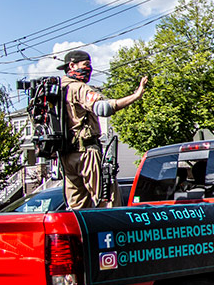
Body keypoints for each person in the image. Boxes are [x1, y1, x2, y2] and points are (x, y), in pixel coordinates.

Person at [58, 50, 147, 209]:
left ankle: (82, 234)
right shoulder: (78, 88)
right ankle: (111, 233)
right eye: (86, 65)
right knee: (106, 198)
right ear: (72, 65)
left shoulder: (58, 91)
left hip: (67, 156)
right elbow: (103, 108)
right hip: (87, 153)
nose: (89, 69)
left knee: (77, 206)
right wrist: (135, 96)